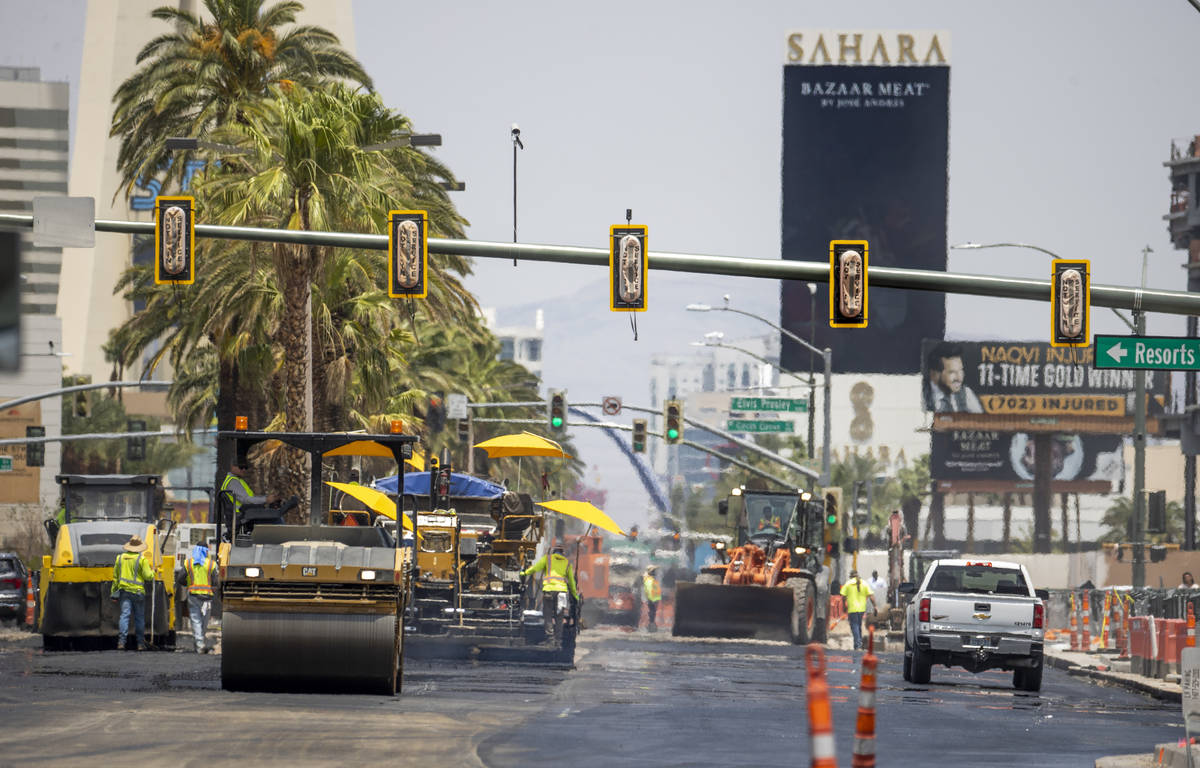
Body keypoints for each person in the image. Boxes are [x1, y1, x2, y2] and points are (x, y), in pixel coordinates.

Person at [520, 544, 580, 642]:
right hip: (562, 593)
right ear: (562, 553)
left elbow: (535, 569)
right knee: (559, 616)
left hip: (549, 591)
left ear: (553, 551)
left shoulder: (547, 559)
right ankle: (558, 639)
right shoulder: (567, 563)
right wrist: (575, 595)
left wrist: (525, 573)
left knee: (547, 614)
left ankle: (550, 637)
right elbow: (572, 582)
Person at [112, 535, 155, 651]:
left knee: (124, 616)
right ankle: (140, 644)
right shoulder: (142, 560)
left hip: (124, 592)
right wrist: (153, 572)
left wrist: (114, 594)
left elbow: (115, 578)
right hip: (138, 593)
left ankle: (121, 643)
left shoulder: (119, 558)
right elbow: (148, 576)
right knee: (139, 618)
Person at [220, 457, 281, 531]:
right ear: (233, 467)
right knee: (276, 519)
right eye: (241, 467)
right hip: (243, 517)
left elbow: (250, 498)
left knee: (273, 515)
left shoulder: (237, 480)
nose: (244, 470)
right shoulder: (233, 482)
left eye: (245, 467)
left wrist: (267, 498)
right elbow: (246, 500)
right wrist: (266, 499)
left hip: (246, 515)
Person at [924, 342, 983, 413]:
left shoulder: (966, 393)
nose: (959, 378)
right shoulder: (919, 396)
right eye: (952, 372)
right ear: (934, 375)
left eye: (961, 370)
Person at [184, 544, 217, 653]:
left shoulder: (188, 563)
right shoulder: (211, 564)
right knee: (204, 621)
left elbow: (180, 578)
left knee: (196, 620)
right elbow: (215, 582)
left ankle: (199, 643)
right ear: (206, 551)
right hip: (207, 598)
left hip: (193, 596)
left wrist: (189, 583)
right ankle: (199, 643)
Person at [840, 569, 877, 651]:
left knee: (855, 626)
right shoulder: (864, 583)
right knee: (858, 626)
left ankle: (858, 645)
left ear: (850, 576)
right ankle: (858, 644)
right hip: (861, 609)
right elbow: (871, 596)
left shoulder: (848, 583)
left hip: (852, 609)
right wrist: (875, 606)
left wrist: (844, 607)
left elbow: (843, 597)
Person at [642, 565, 662, 631]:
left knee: (653, 612)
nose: (656, 572)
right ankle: (651, 626)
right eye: (654, 571)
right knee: (652, 612)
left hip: (654, 599)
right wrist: (652, 599)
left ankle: (651, 625)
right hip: (652, 599)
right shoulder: (649, 580)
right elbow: (650, 590)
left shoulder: (651, 579)